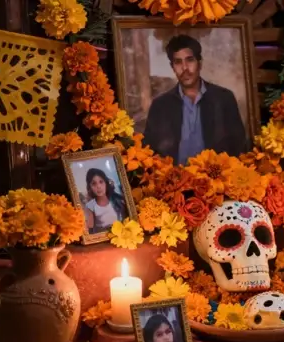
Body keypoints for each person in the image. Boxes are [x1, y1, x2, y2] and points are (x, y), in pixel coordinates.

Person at [143, 34, 248, 164]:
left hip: (216, 180)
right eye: (178, 62)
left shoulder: (224, 99)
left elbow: (238, 145)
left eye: (190, 60)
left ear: (200, 63)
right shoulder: (160, 106)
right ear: (172, 67)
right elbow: (149, 151)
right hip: (173, 180)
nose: (185, 68)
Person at [84, 168, 127, 234]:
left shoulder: (116, 199)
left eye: (101, 182)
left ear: (106, 183)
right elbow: (90, 230)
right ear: (90, 187)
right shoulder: (90, 206)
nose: (98, 186)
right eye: (94, 184)